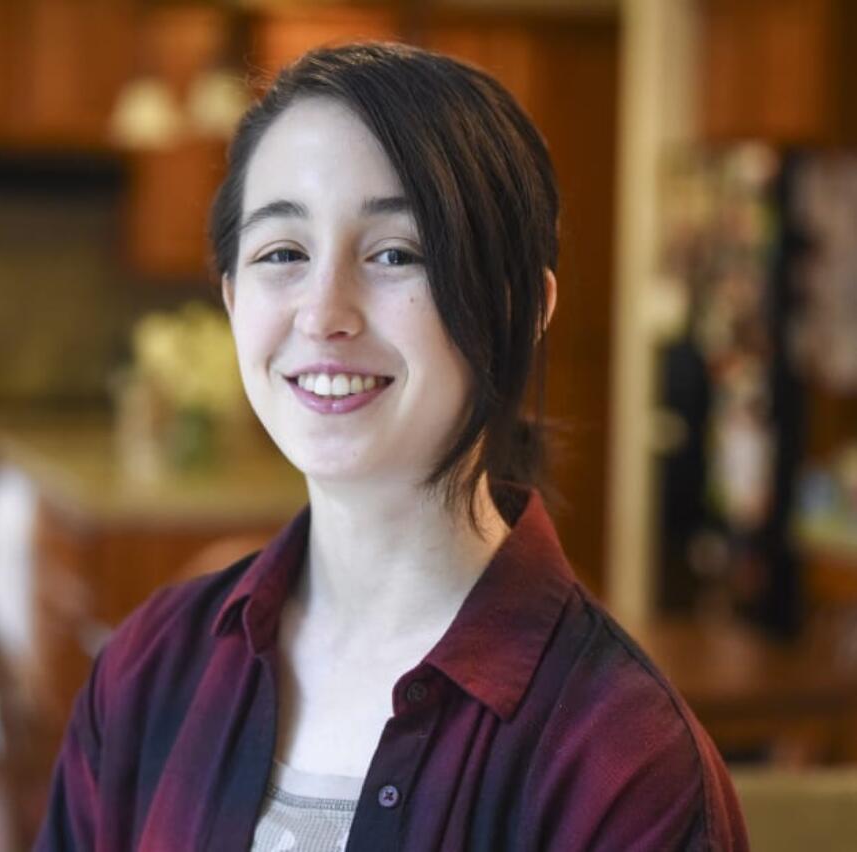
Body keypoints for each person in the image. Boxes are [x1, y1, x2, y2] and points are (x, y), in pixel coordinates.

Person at [37, 42, 748, 851]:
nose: (323, 313)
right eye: (283, 254)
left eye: (395, 254)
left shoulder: (622, 761)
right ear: (233, 300)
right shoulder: (149, 670)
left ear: (522, 305)